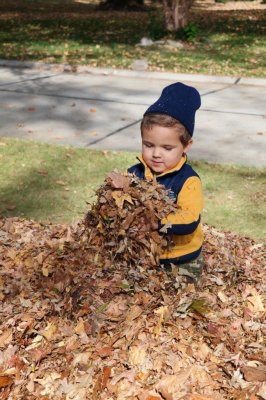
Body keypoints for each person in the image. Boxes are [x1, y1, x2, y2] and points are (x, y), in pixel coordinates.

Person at [128, 82, 204, 283]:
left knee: (180, 303)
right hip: (145, 254)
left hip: (181, 259)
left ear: (186, 146)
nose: (156, 154)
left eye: (167, 148)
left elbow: (189, 219)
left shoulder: (188, 181)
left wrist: (156, 223)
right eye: (148, 145)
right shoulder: (134, 174)